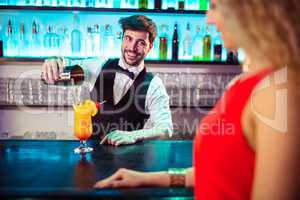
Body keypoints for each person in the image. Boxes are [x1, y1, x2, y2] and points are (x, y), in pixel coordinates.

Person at [94, 0, 300, 199]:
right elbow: (218, 170)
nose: (208, 18)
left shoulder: (277, 92)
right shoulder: (244, 82)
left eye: (215, 6)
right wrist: (145, 178)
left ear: (251, 9)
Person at [41, 15, 173, 146]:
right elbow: (65, 66)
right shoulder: (98, 66)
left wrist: (132, 135)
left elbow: (166, 129)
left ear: (150, 47)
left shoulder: (154, 85)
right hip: (91, 155)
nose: (132, 48)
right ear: (122, 39)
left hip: (131, 160)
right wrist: (55, 61)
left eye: (141, 42)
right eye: (128, 38)